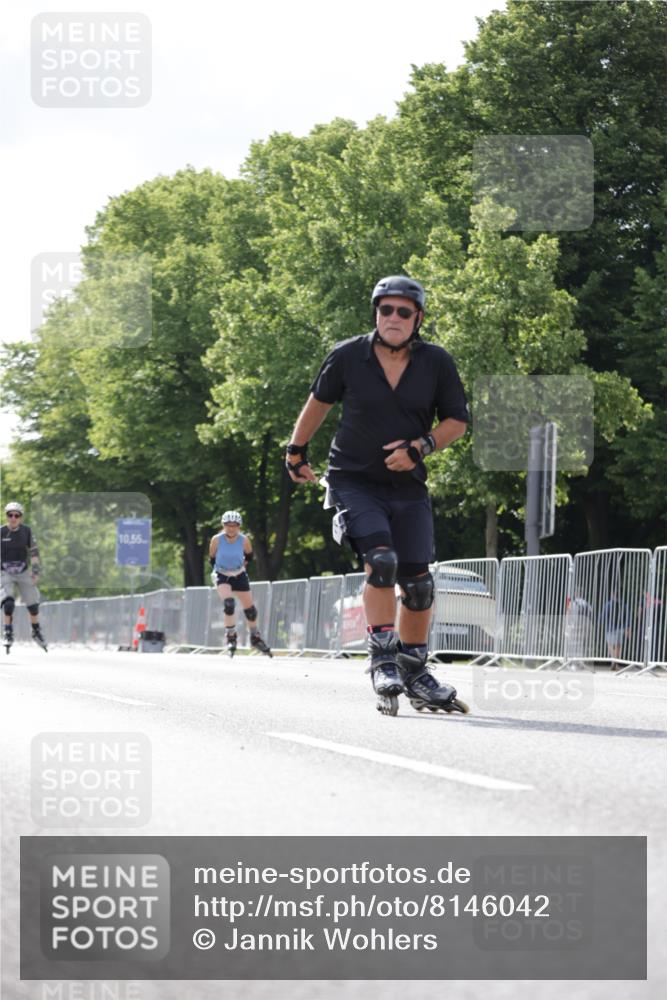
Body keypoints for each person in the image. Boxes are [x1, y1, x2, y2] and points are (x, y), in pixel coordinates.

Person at [286, 275, 469, 714]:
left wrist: (420, 447)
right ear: (376, 313)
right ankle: (382, 658)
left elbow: (457, 422)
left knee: (420, 584)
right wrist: (295, 452)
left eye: (403, 311)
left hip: (408, 487)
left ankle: (415, 671)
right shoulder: (349, 356)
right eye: (385, 309)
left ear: (417, 319)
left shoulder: (436, 363)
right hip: (353, 480)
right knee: (381, 562)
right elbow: (318, 403)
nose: (393, 318)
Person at [209, 510, 272, 657]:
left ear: (239, 526)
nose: (231, 528)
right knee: (229, 604)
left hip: (239, 574)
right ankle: (231, 636)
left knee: (250, 610)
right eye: (228, 525)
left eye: (235, 525)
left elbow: (249, 555)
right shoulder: (216, 540)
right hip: (222, 574)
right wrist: (219, 571)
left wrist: (241, 567)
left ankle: (255, 637)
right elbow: (211, 557)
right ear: (223, 525)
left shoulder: (244, 540)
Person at [1, 502, 47, 651]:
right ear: (6, 516)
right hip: (5, 571)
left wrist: (35, 571)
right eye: (10, 515)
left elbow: (33, 552)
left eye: (16, 515)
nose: (13, 518)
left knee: (33, 606)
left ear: (21, 517)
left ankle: (36, 631)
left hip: (23, 570)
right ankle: (8, 631)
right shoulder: (1, 532)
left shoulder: (26, 531)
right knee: (8, 603)